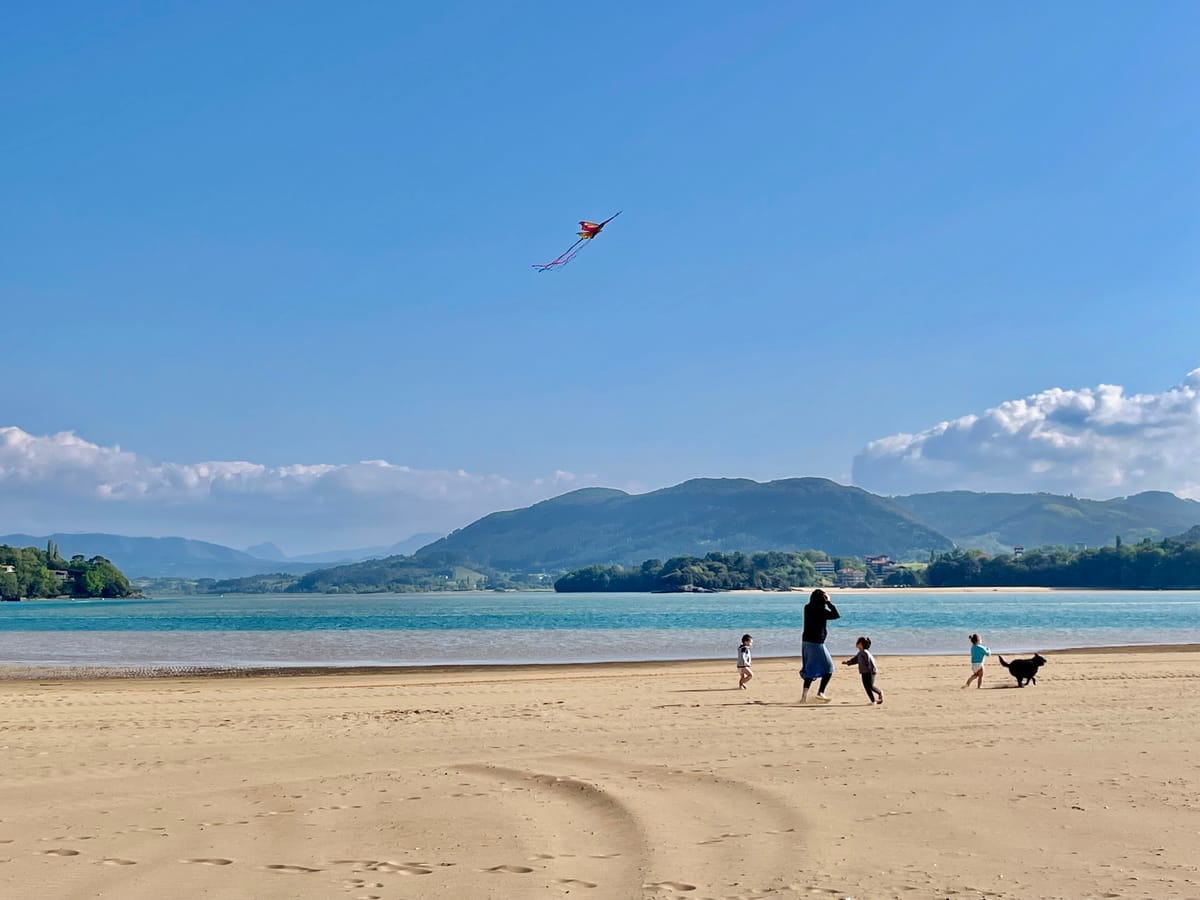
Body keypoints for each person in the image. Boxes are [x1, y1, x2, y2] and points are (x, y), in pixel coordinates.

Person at [800, 588, 840, 703]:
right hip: (817, 643)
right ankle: (820, 692)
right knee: (829, 668)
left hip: (806, 642)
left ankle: (804, 697)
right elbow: (836, 615)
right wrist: (829, 602)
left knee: (809, 669)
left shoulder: (807, 608)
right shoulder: (821, 611)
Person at [843, 636, 883, 705]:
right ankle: (873, 701)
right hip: (864, 672)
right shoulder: (860, 653)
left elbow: (871, 662)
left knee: (870, 686)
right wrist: (848, 662)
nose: (856, 644)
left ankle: (879, 692)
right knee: (866, 687)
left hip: (870, 672)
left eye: (857, 642)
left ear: (861, 644)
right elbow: (855, 660)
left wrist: (872, 671)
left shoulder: (865, 652)